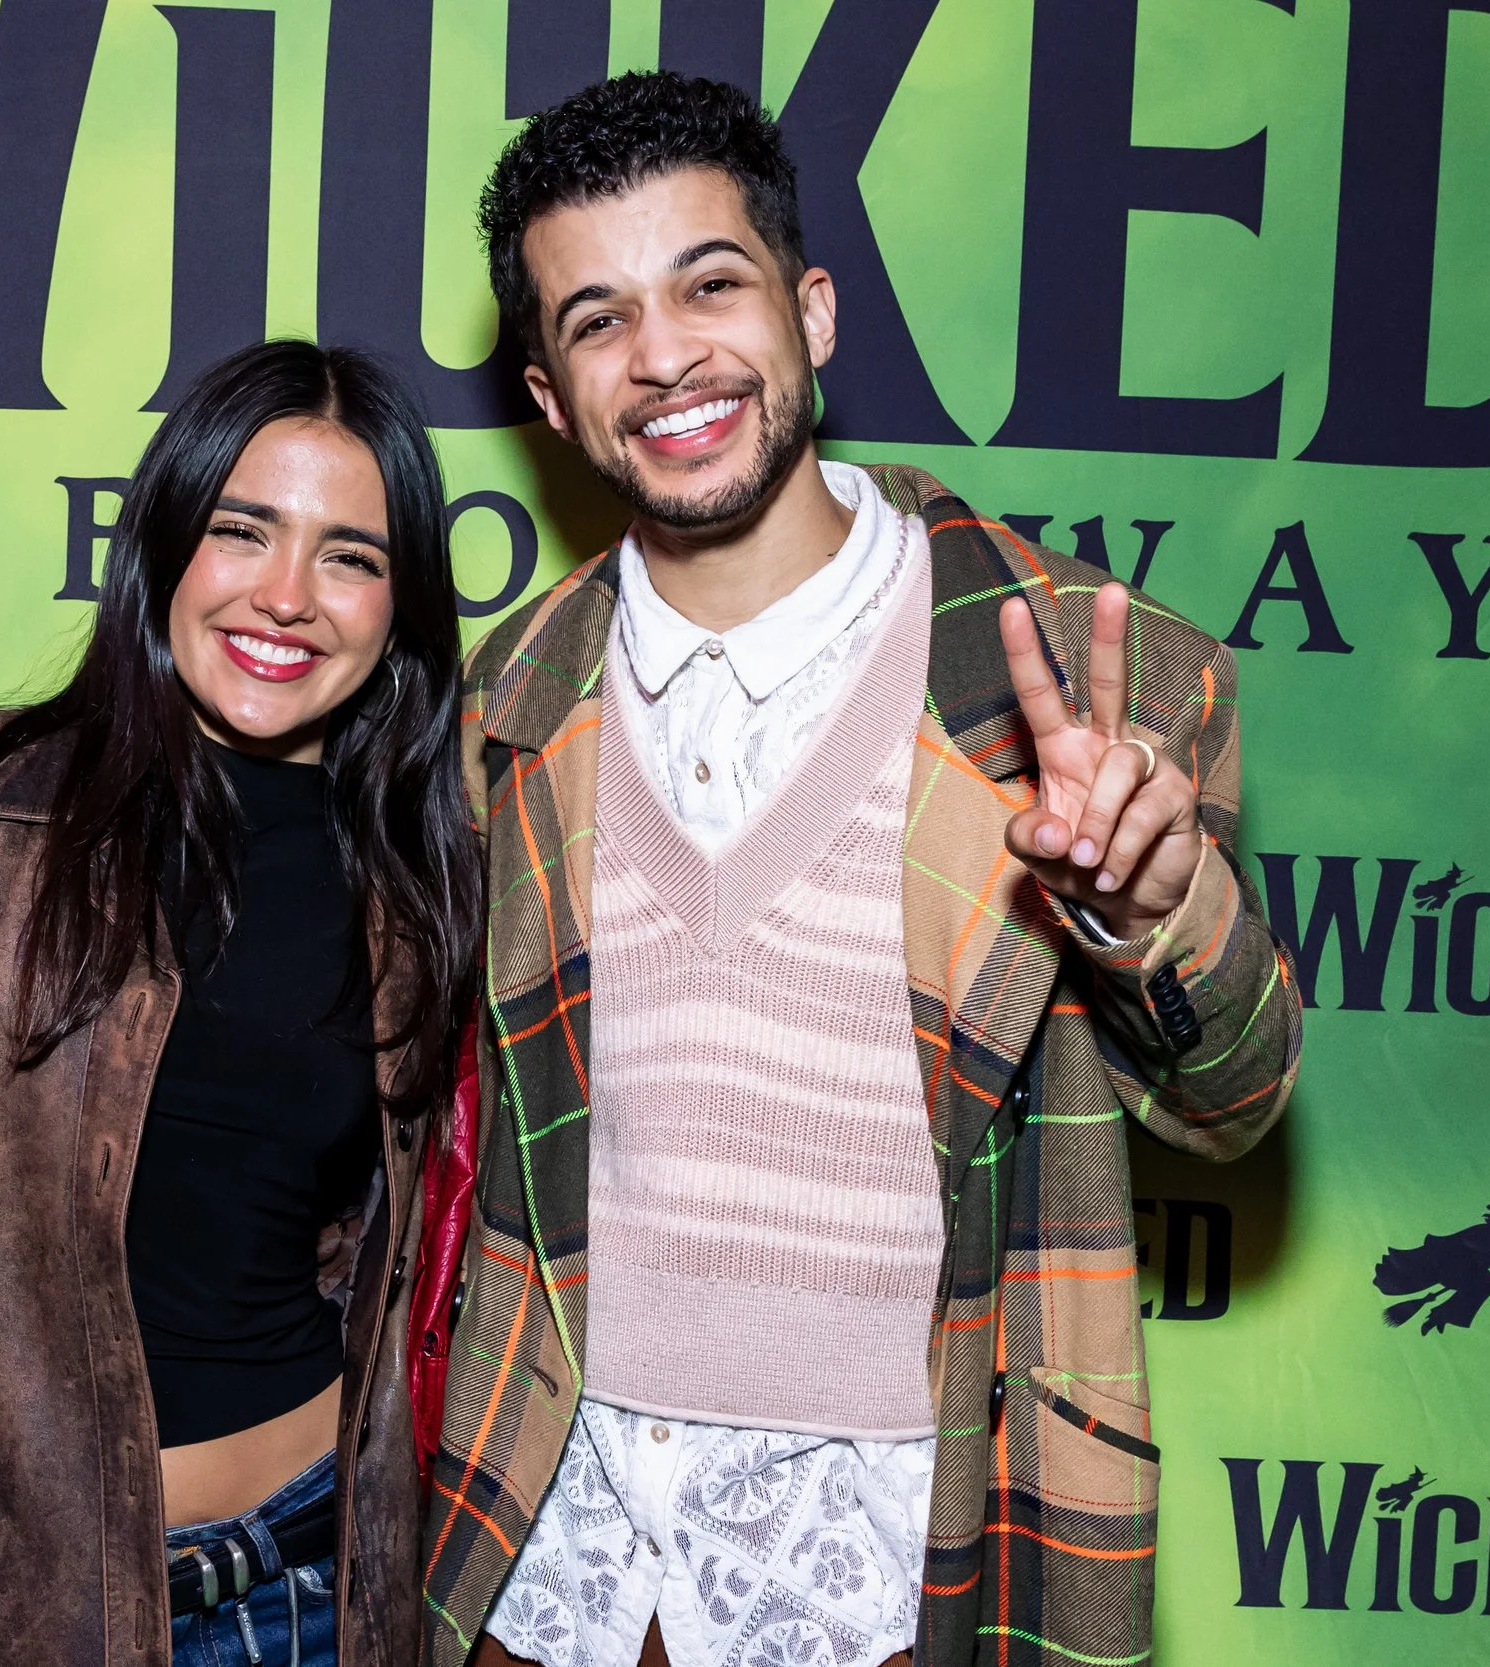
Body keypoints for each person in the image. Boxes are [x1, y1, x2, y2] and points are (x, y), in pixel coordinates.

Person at [422, 75, 1304, 1667]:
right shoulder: (505, 705)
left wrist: (1147, 907)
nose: (667, 356)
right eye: (599, 319)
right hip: (551, 1545)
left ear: (810, 311)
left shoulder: (1095, 681)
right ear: (550, 400)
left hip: (910, 1549)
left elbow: (1239, 1103)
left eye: (711, 284)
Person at [0, 340, 479, 1667]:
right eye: (244, 530)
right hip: (17, 1617)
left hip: (314, 1584)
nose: (287, 596)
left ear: (398, 606)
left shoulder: (414, 871)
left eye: (351, 555)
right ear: (166, 543)